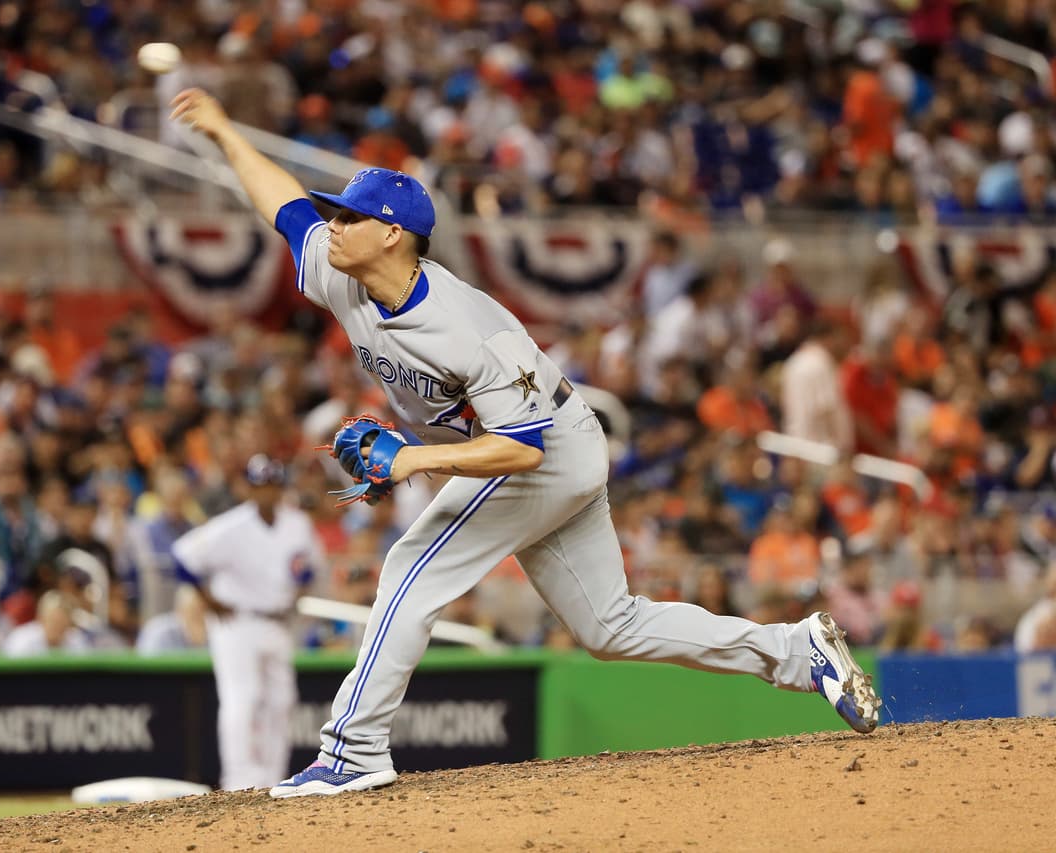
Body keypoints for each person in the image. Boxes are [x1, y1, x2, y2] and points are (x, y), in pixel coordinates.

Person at [170, 88, 882, 799]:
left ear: (393, 233)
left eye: (350, 216)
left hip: (544, 448)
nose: (333, 225)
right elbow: (284, 205)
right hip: (531, 445)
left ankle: (355, 749)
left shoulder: (468, 327)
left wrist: (414, 458)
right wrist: (226, 131)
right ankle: (794, 651)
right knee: (610, 625)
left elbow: (523, 451)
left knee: (411, 567)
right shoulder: (341, 271)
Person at [171, 454, 320, 791]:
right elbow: (182, 557)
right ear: (248, 489)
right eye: (259, 485)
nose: (266, 492)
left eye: (271, 484)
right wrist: (207, 600)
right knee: (243, 698)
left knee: (282, 701)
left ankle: (272, 778)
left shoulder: (297, 522)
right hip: (237, 621)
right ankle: (238, 781)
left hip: (278, 621)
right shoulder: (230, 526)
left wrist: (299, 588)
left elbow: (305, 567)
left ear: (279, 486)